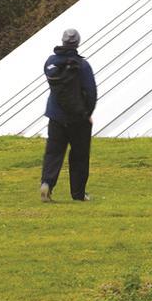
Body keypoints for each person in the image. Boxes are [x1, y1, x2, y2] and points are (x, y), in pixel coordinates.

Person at [41, 27, 97, 202]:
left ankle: (47, 184)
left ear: (63, 41)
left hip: (55, 115)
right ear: (77, 43)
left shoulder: (51, 63)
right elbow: (91, 91)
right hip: (78, 119)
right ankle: (78, 194)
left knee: (53, 152)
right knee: (79, 155)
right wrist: (86, 113)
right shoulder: (82, 65)